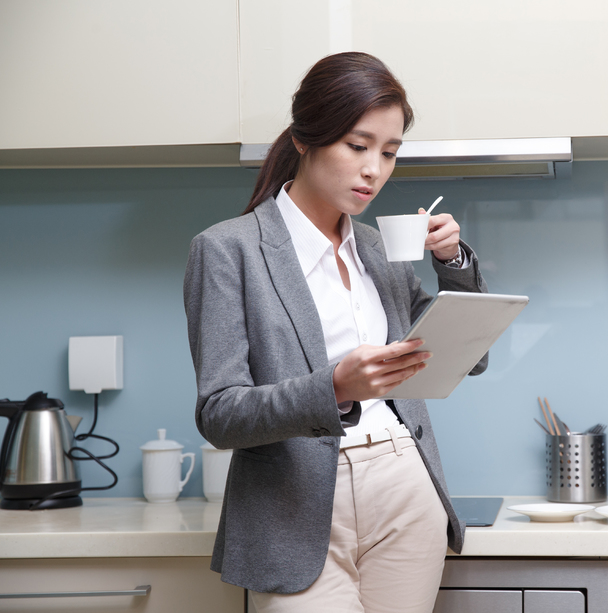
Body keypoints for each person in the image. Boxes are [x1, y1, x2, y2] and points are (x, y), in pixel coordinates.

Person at [183, 52, 488, 613]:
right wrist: (336, 388)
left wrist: (453, 263)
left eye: (390, 152)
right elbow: (220, 414)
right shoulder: (227, 250)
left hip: (404, 482)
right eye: (357, 145)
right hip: (292, 504)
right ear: (305, 139)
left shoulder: (378, 247)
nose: (375, 169)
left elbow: (464, 356)